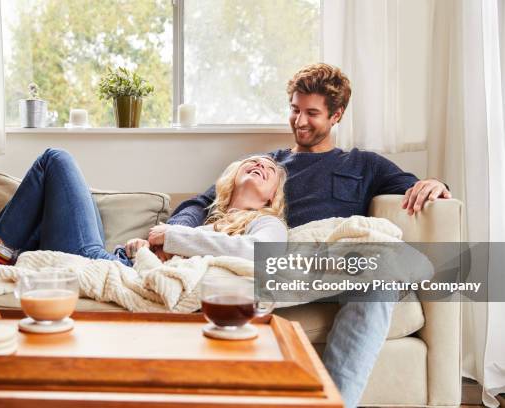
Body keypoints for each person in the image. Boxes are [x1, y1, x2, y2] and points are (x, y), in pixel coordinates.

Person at [161, 63, 452, 408]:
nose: (300, 121)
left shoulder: (364, 165)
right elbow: (203, 202)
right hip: (279, 267)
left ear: (337, 115)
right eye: (295, 110)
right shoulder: (268, 166)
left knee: (381, 276)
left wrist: (438, 185)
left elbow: (412, 186)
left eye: (312, 113)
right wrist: (174, 233)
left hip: (331, 268)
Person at [0, 150, 288, 290]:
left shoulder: (266, 223)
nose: (259, 164)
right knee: (50, 179)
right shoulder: (209, 215)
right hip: (119, 257)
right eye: (252, 161)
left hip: (107, 267)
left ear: (272, 196)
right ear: (232, 175)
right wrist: (145, 244)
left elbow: (266, 253)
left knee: (54, 160)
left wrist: (171, 238)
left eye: (269, 169)